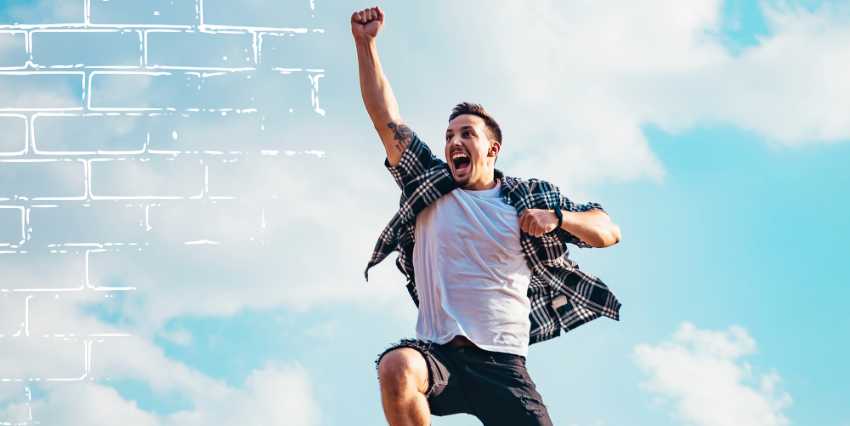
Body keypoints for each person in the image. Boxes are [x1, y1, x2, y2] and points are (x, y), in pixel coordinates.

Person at [353, 7, 623, 426]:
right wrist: (366, 44)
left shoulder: (524, 197)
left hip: (503, 364)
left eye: (466, 134)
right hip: (438, 355)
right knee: (396, 366)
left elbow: (607, 230)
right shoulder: (428, 182)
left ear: (492, 149)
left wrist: (558, 217)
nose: (454, 142)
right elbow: (386, 119)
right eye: (449, 136)